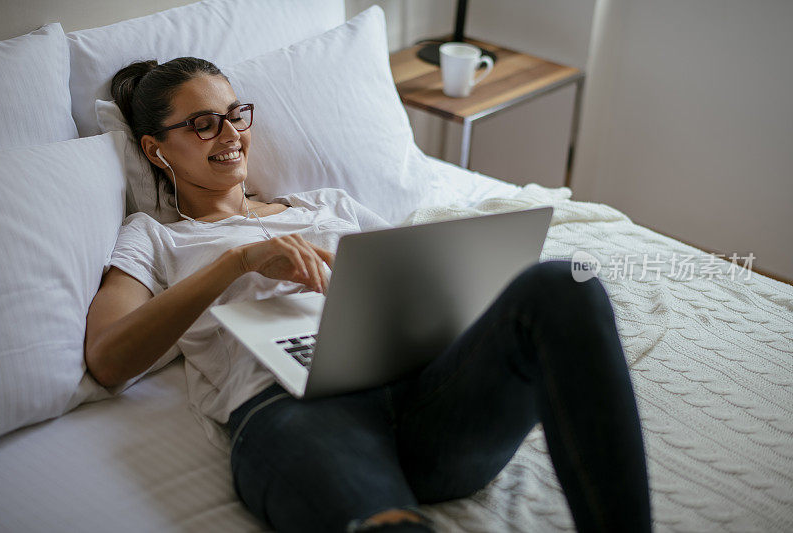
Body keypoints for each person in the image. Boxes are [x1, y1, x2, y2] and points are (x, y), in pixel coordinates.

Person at [85, 57, 652, 533]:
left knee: (561, 282)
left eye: (236, 115)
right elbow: (109, 359)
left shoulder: (327, 206)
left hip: (428, 399)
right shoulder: (156, 237)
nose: (232, 136)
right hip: (299, 411)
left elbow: (420, 282)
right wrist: (241, 260)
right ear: (157, 150)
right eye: (204, 124)